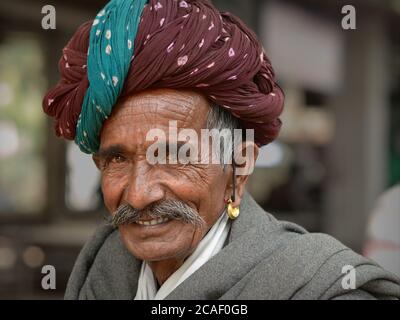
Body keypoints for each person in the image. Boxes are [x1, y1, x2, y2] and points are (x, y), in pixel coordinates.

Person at [42, 0, 400, 300]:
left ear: (240, 166)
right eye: (117, 159)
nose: (137, 196)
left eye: (173, 156)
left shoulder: (317, 289)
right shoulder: (105, 268)